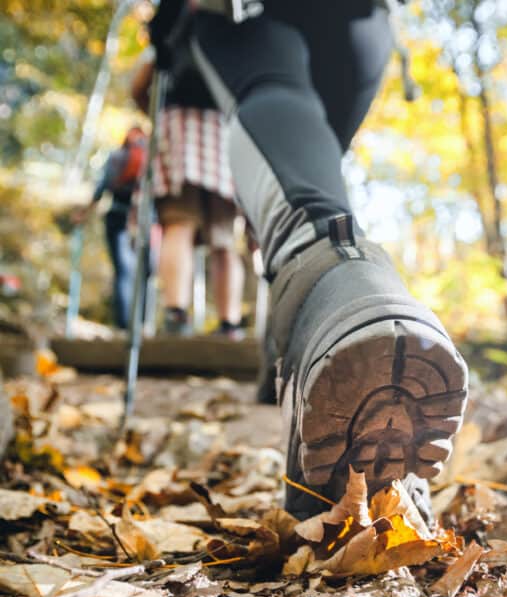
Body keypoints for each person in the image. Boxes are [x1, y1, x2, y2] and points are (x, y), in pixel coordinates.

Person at [155, 0, 469, 521]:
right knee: (308, 158)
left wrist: (165, 28)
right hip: (362, 26)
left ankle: (331, 286)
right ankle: (309, 327)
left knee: (276, 99)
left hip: (245, 16)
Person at [131, 45, 245, 338]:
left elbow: (139, 85)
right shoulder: (234, 30)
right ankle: (229, 324)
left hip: (178, 127)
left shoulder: (176, 26)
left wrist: (156, 111)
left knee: (179, 224)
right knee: (224, 240)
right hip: (225, 133)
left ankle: (175, 313)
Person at [73, 127, 146, 329]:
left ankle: (124, 324)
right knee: (143, 272)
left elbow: (101, 188)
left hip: (117, 216)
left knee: (123, 272)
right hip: (144, 220)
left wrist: (83, 213)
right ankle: (142, 322)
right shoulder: (151, 157)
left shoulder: (116, 156)